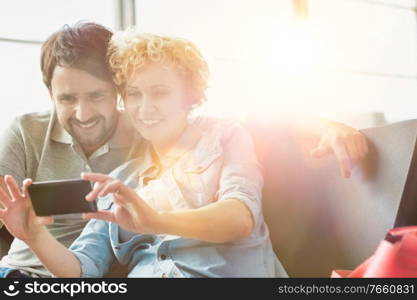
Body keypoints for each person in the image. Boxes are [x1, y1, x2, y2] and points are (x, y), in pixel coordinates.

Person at [0, 31, 366, 278]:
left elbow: (241, 216)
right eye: (134, 94)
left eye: (159, 92)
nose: (144, 108)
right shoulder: (122, 179)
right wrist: (34, 236)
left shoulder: (223, 138)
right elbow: (83, 269)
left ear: (190, 96)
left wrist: (156, 221)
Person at [0, 22, 143, 277]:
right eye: (67, 99)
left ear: (117, 89)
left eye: (96, 96)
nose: (83, 114)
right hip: (22, 271)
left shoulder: (144, 134)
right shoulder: (26, 130)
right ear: (50, 93)